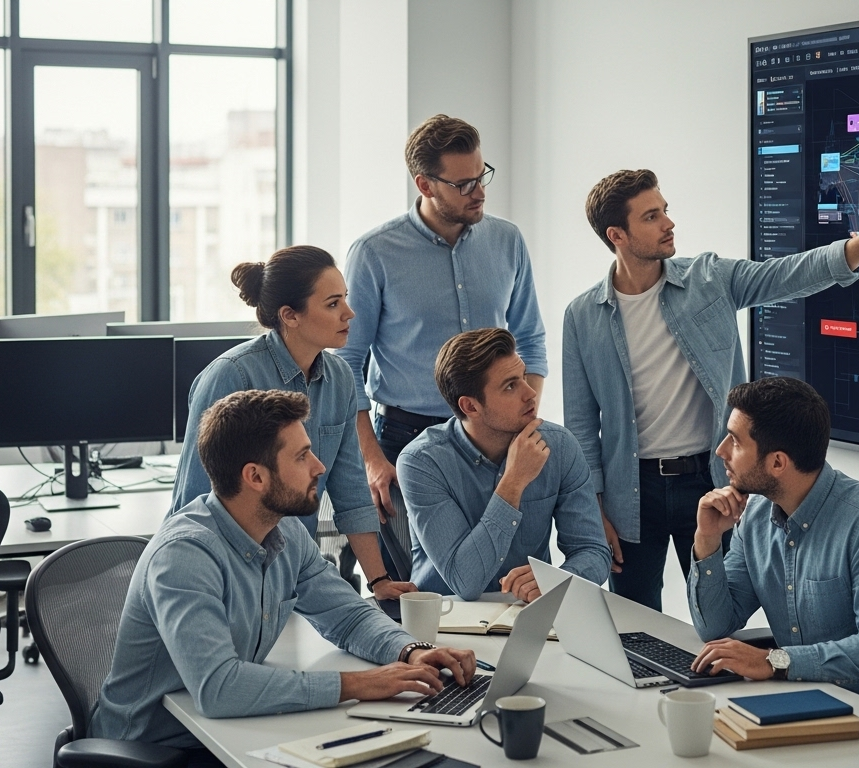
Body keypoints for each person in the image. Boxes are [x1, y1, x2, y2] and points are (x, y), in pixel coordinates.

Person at [563, 168, 859, 610]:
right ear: (617, 234)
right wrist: (593, 509)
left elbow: (788, 274)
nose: (668, 223)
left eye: (665, 210)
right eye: (651, 216)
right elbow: (582, 424)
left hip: (711, 480)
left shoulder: (709, 279)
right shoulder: (582, 315)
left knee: (719, 609)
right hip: (630, 492)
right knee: (631, 624)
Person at [93, 389, 476, 757]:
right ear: (256, 477)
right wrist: (361, 684)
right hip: (155, 747)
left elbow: (349, 616)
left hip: (230, 731)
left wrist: (410, 651)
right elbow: (220, 688)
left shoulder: (284, 530)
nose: (319, 467)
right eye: (302, 456)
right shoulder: (185, 556)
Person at [337, 115, 547, 583]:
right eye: (463, 183)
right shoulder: (374, 253)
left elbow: (530, 338)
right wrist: (372, 459)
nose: (480, 191)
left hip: (495, 439)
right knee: (416, 593)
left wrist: (524, 416)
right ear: (425, 184)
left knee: (506, 583)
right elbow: (347, 365)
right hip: (404, 440)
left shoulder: (507, 241)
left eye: (482, 174)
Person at [170, 245, 413, 599]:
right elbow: (193, 500)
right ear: (290, 315)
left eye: (344, 299)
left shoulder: (341, 378)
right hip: (222, 577)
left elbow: (349, 491)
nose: (349, 313)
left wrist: (378, 582)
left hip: (291, 574)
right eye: (333, 304)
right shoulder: (231, 376)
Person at [686, 377, 859, 695]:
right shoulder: (755, 517)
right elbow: (715, 626)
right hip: (803, 697)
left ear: (778, 462)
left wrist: (776, 661)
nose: (721, 450)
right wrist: (706, 539)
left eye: (735, 441)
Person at [396, 328, 610, 602]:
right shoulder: (421, 463)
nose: (530, 393)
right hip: (446, 621)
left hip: (527, 615)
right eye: (510, 386)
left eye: (523, 377)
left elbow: (593, 551)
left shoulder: (559, 447)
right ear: (470, 407)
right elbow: (466, 582)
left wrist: (556, 581)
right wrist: (514, 481)